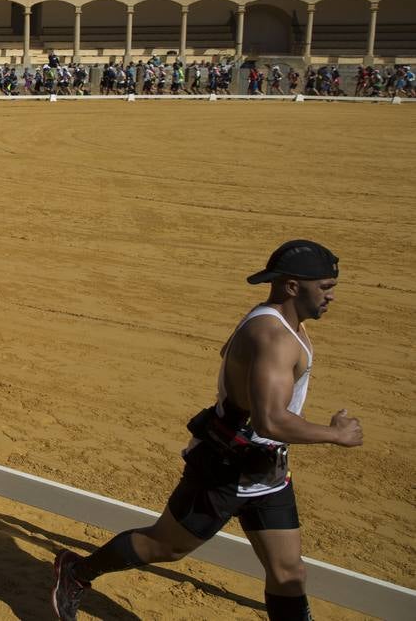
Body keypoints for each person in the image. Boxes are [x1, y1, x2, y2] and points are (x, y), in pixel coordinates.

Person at [51, 241, 361, 621]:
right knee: (163, 546)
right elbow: (272, 421)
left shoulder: (275, 321)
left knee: (289, 573)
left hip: (267, 471)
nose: (331, 296)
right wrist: (336, 434)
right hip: (224, 471)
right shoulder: (274, 337)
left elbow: (230, 357)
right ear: (293, 286)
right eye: (326, 286)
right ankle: (77, 573)